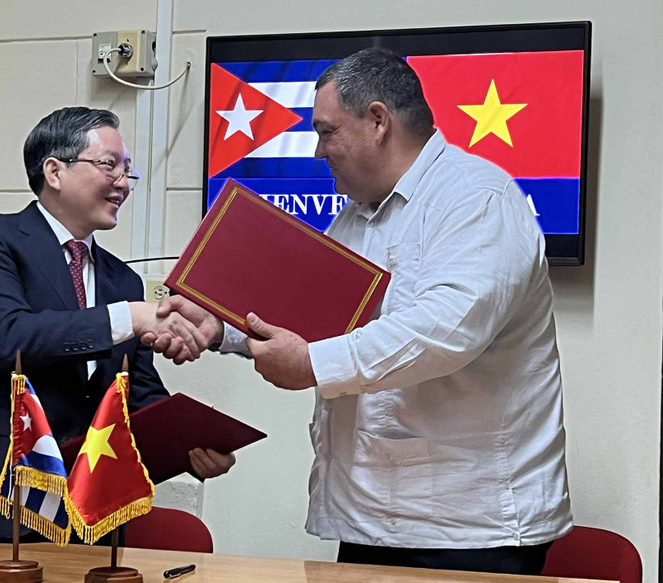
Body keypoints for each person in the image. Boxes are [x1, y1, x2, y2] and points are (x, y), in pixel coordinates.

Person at [144, 48, 572, 575]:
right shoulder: (357, 216)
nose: (318, 152)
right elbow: (312, 317)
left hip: (469, 524)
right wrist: (221, 329)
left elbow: (445, 330)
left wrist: (313, 365)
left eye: (327, 132)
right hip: (370, 515)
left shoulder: (477, 199)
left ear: (377, 121)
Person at [0, 106, 235, 541]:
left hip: (86, 507)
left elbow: (133, 392)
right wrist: (129, 317)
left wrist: (189, 443)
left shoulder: (122, 278)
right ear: (55, 171)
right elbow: (9, 339)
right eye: (109, 165)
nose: (123, 182)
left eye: (128, 171)